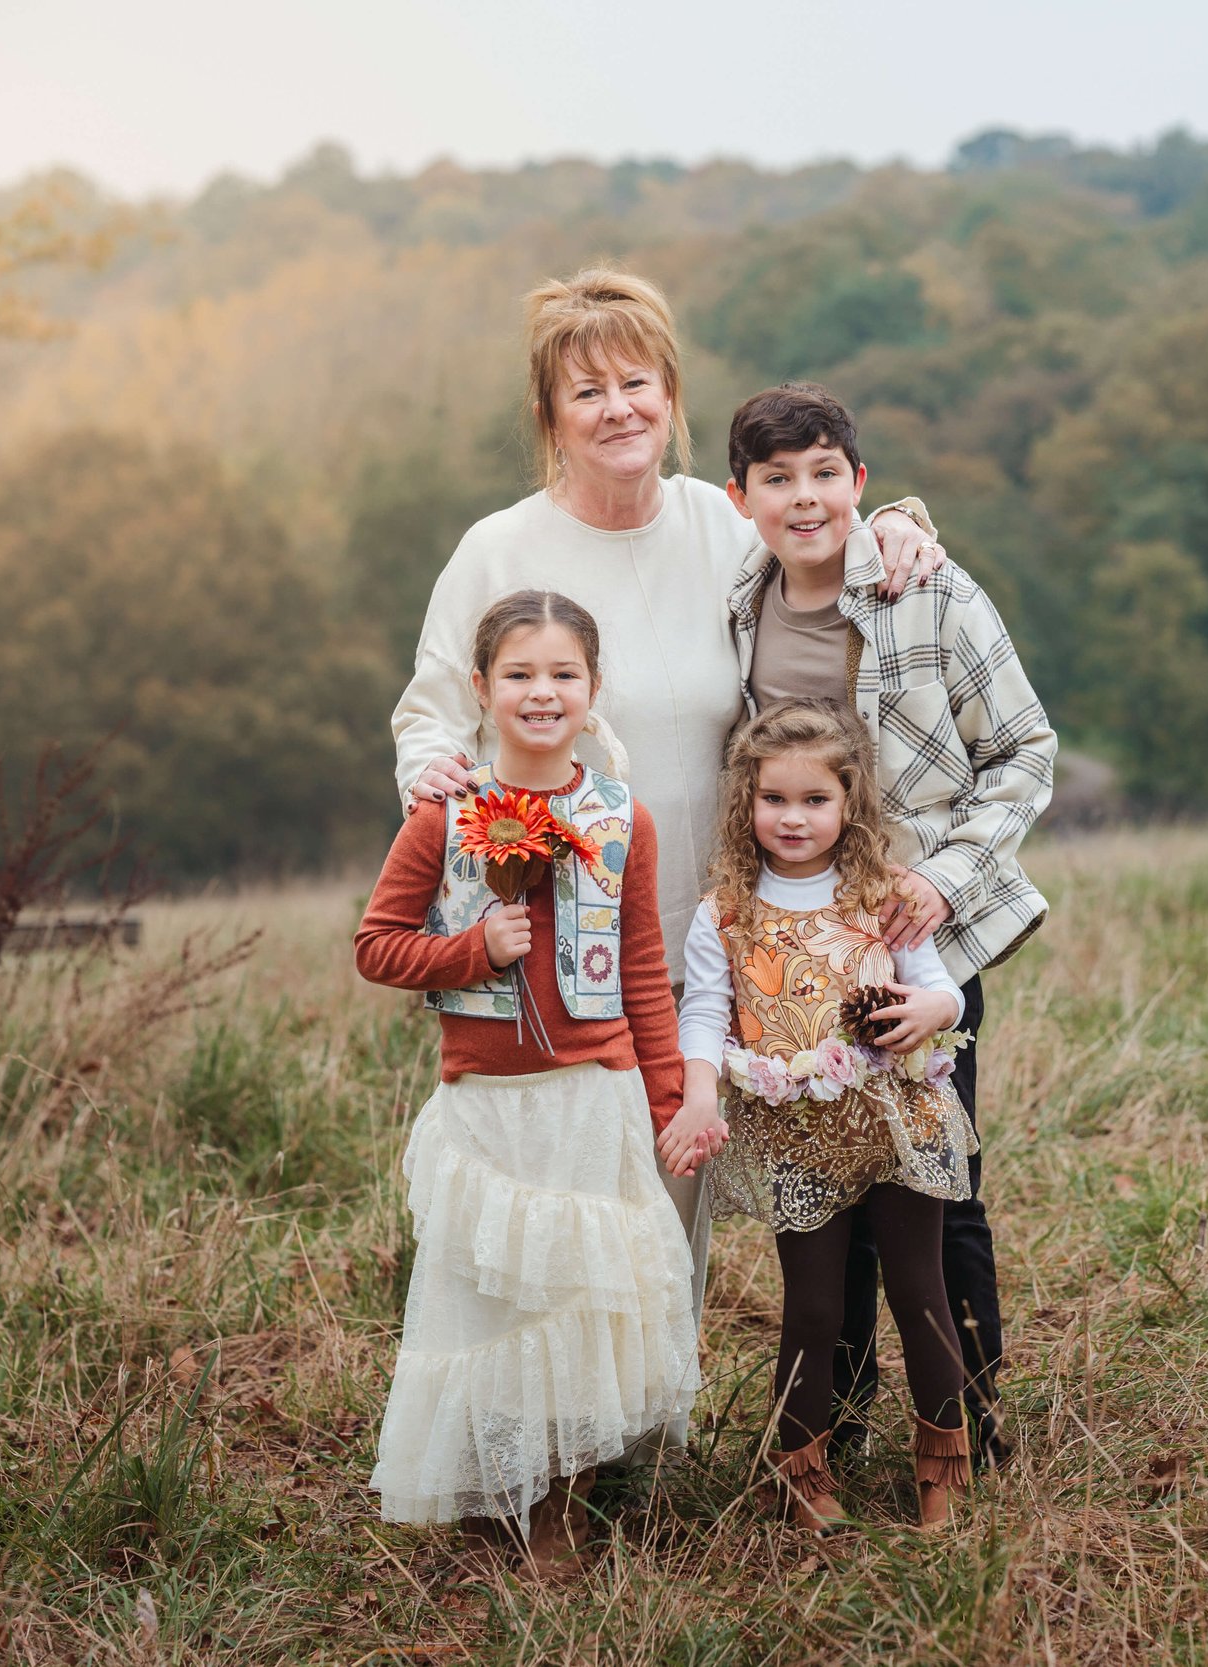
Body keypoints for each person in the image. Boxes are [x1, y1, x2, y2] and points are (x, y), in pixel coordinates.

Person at [391, 268, 946, 1318]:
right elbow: (430, 709)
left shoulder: (723, 525)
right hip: (556, 934)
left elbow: (824, 538)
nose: (618, 409)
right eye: (586, 391)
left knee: (675, 1174)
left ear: (672, 395)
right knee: (561, 1185)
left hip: (711, 928)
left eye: (636, 382)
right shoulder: (498, 548)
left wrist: (903, 522)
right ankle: (548, 1442)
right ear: (549, 416)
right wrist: (432, 771)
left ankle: (646, 1436)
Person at [717, 382, 1056, 1468]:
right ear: (744, 498)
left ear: (859, 484)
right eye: (779, 479)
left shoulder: (934, 591)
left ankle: (970, 1421)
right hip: (793, 947)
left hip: (915, 940)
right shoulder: (737, 601)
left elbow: (1024, 749)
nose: (804, 497)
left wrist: (950, 880)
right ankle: (839, 1420)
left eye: (825, 473)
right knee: (824, 1190)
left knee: (932, 1185)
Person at [355, 589, 696, 1577]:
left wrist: (667, 1100)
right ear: (480, 688)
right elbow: (377, 945)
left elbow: (640, 970)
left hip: (592, 1096)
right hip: (488, 1101)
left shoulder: (620, 818)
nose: (540, 692)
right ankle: (486, 1495)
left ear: (593, 692)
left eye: (562, 674)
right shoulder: (445, 817)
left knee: (583, 1307)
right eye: (518, 674)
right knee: (490, 1303)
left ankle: (561, 1509)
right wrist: (470, 948)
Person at [663, 701, 979, 1529]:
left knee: (919, 1287)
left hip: (893, 1118)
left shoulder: (880, 896)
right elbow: (703, 1010)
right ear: (748, 802)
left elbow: (941, 983)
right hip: (795, 1131)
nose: (793, 818)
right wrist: (700, 1090)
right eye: (775, 800)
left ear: (850, 803)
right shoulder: (724, 913)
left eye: (814, 801)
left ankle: (944, 1463)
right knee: (812, 1305)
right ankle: (799, 1471)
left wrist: (927, 1011)